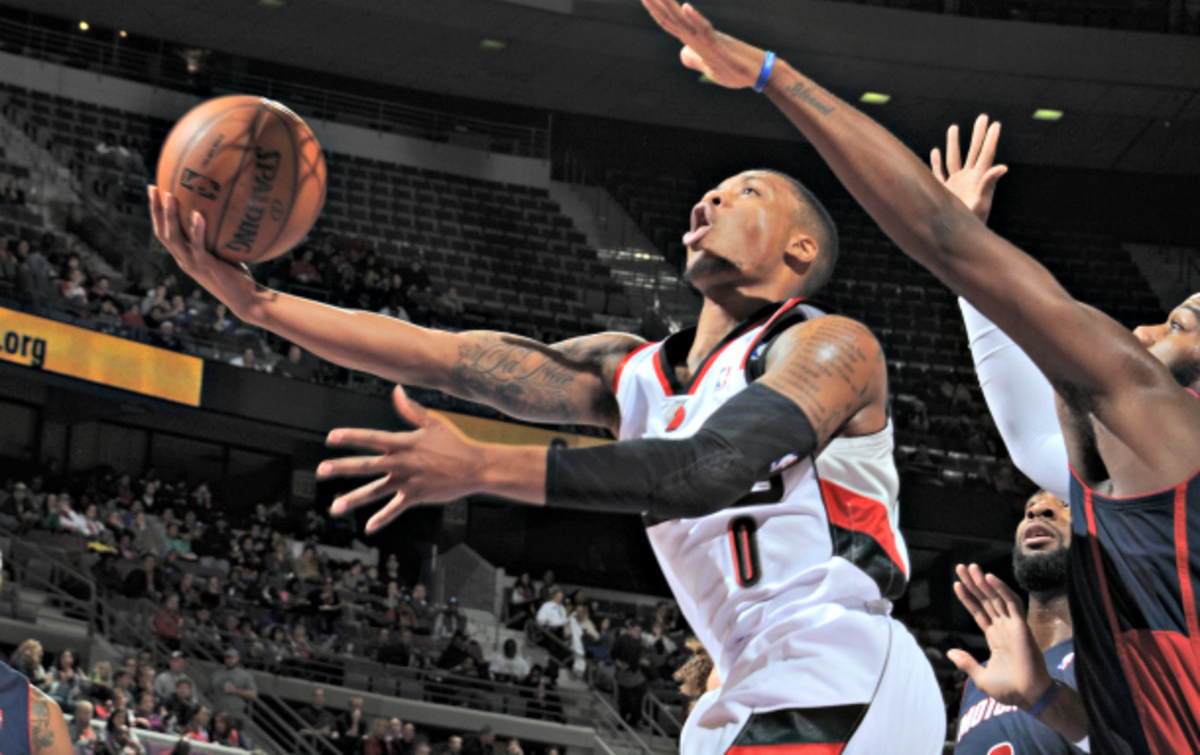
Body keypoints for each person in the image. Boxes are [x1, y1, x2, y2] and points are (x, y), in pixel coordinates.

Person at [150, 45, 942, 755]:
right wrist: (258, 307)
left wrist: (480, 464)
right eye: (709, 193)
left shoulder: (829, 346)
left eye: (744, 193)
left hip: (838, 660)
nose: (710, 201)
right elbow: (444, 356)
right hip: (745, 682)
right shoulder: (630, 375)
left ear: (799, 249)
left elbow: (707, 467)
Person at [622, 0, 1200, 753]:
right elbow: (1028, 425)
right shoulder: (1111, 484)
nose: (1148, 324)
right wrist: (1040, 698)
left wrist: (774, 77)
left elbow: (938, 237)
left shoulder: (1165, 428)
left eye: (1183, 324)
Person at [954, 491, 1085, 754]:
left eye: (1065, 504)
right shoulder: (981, 677)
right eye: (1030, 506)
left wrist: (1045, 698)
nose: (1038, 510)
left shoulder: (1122, 652)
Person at [210, 649, 257, 721]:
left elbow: (253, 694)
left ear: (238, 659)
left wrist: (235, 690)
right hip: (217, 714)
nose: (229, 660)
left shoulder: (245, 676)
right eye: (227, 658)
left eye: (232, 658)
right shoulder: (216, 674)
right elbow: (208, 692)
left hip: (235, 716)